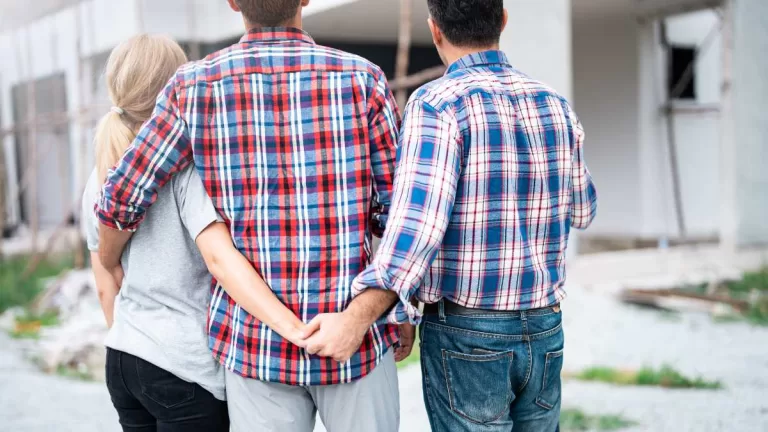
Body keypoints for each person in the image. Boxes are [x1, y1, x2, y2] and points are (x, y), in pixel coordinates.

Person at [94, 1, 407, 431]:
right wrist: (387, 310)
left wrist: (109, 259)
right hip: (353, 339)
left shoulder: (194, 86)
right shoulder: (363, 79)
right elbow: (398, 220)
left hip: (255, 347)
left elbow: (120, 196)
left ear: (232, 2)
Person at [351, 0, 599, 430]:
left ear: (434, 29)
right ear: (503, 20)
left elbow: (418, 230)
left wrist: (380, 310)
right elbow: (584, 209)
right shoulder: (553, 103)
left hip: (468, 331)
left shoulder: (437, 104)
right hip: (545, 324)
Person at [83, 34, 308, 432]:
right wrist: (292, 327)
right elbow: (220, 260)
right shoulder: (186, 172)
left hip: (122, 359)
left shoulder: (99, 177)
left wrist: (134, 342)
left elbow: (106, 284)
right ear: (177, 87)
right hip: (183, 368)